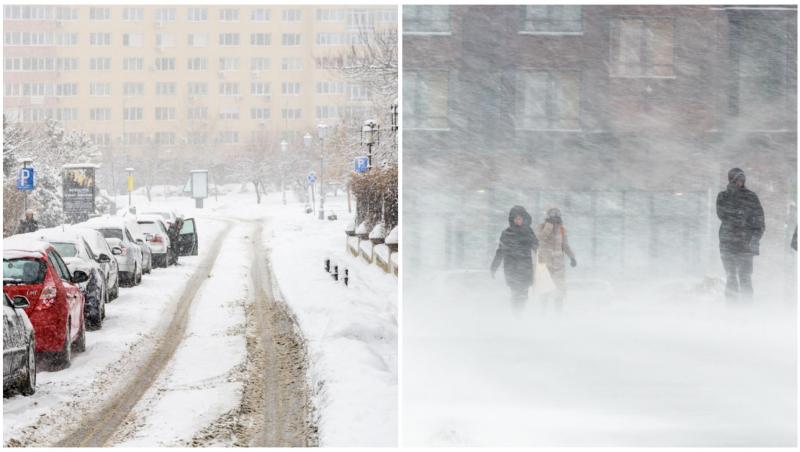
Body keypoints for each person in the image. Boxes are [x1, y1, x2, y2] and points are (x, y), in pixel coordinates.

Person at [716, 167, 765, 301]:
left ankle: (747, 308)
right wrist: (739, 214)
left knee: (745, 277)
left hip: (746, 246)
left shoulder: (751, 197)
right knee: (731, 276)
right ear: (731, 180)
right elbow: (722, 214)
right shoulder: (723, 196)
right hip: (727, 244)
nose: (741, 182)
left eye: (742, 179)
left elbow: (760, 221)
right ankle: (732, 310)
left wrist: (755, 238)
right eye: (737, 179)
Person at [491, 205, 539, 305]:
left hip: (525, 268)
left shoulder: (529, 232)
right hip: (511, 268)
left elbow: (536, 247)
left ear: (524, 219)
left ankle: (519, 316)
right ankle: (516, 316)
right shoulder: (507, 233)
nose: (517, 221)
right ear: (512, 220)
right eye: (515, 219)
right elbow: (500, 251)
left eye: (519, 218)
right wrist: (494, 266)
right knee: (515, 294)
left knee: (524, 295)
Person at [536, 207, 577, 310]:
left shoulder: (562, 229)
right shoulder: (542, 227)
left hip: (559, 265)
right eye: (553, 216)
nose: (555, 218)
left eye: (557, 215)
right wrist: (549, 226)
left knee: (560, 289)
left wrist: (572, 257)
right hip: (545, 263)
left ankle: (558, 312)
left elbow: (565, 245)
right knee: (545, 288)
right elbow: (540, 239)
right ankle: (542, 311)